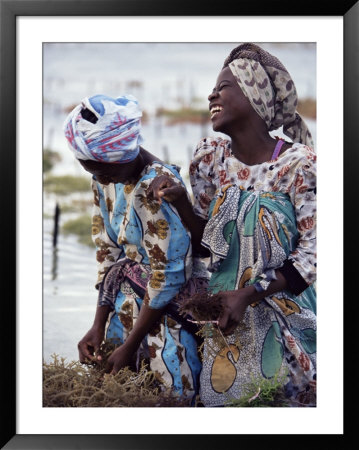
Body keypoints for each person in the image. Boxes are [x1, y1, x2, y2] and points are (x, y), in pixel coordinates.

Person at [148, 43, 317, 407]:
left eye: (223, 87)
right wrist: (180, 202)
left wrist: (250, 294)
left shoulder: (298, 166)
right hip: (227, 315)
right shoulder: (210, 160)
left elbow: (314, 256)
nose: (212, 94)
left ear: (254, 96)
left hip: (285, 307)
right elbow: (209, 245)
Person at [63, 94, 207, 403]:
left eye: (102, 172)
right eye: (91, 172)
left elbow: (169, 274)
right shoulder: (103, 178)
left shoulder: (157, 190)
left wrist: (130, 344)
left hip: (167, 311)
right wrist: (98, 325)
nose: (99, 179)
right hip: (126, 301)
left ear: (121, 157)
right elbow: (107, 250)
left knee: (170, 392)